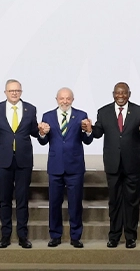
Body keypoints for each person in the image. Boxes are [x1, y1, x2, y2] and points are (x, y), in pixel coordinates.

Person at [88, 82, 140, 249]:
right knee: (114, 201)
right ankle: (114, 236)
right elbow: (98, 132)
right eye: (118, 93)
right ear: (113, 94)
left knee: (132, 202)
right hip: (113, 163)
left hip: (133, 164)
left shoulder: (139, 111)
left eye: (124, 93)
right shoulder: (103, 111)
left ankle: (130, 237)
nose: (120, 96)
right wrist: (89, 129)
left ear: (129, 94)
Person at [37, 87, 93, 248]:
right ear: (56, 99)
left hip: (75, 167)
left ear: (72, 100)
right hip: (55, 166)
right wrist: (42, 133)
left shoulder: (81, 115)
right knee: (54, 203)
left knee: (75, 204)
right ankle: (55, 235)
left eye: (68, 98)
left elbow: (87, 140)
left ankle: (75, 236)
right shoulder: (47, 116)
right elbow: (43, 141)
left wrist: (89, 131)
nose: (65, 101)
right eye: (62, 98)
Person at [0, 79, 39, 249]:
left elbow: (34, 132)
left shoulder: (30, 109)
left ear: (21, 92)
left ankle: (23, 236)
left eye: (17, 90)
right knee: (4, 200)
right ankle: (5, 235)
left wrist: (42, 131)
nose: (14, 93)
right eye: (11, 91)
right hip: (3, 161)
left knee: (22, 200)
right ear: (5, 93)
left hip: (24, 161)